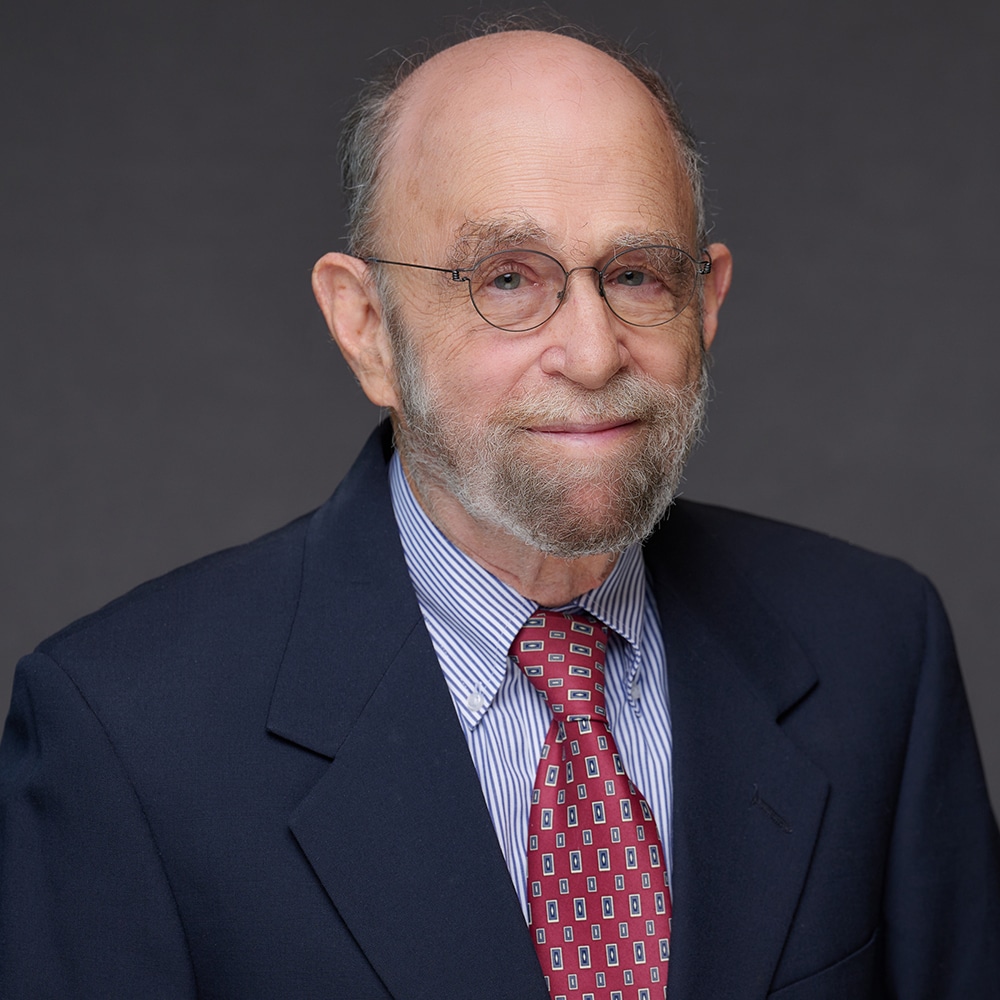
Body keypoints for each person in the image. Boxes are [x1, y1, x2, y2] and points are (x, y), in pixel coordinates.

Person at [2, 20, 998, 1000]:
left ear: (705, 303)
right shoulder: (126, 734)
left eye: (635, 275)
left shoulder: (876, 652)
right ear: (366, 329)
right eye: (508, 279)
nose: (593, 351)